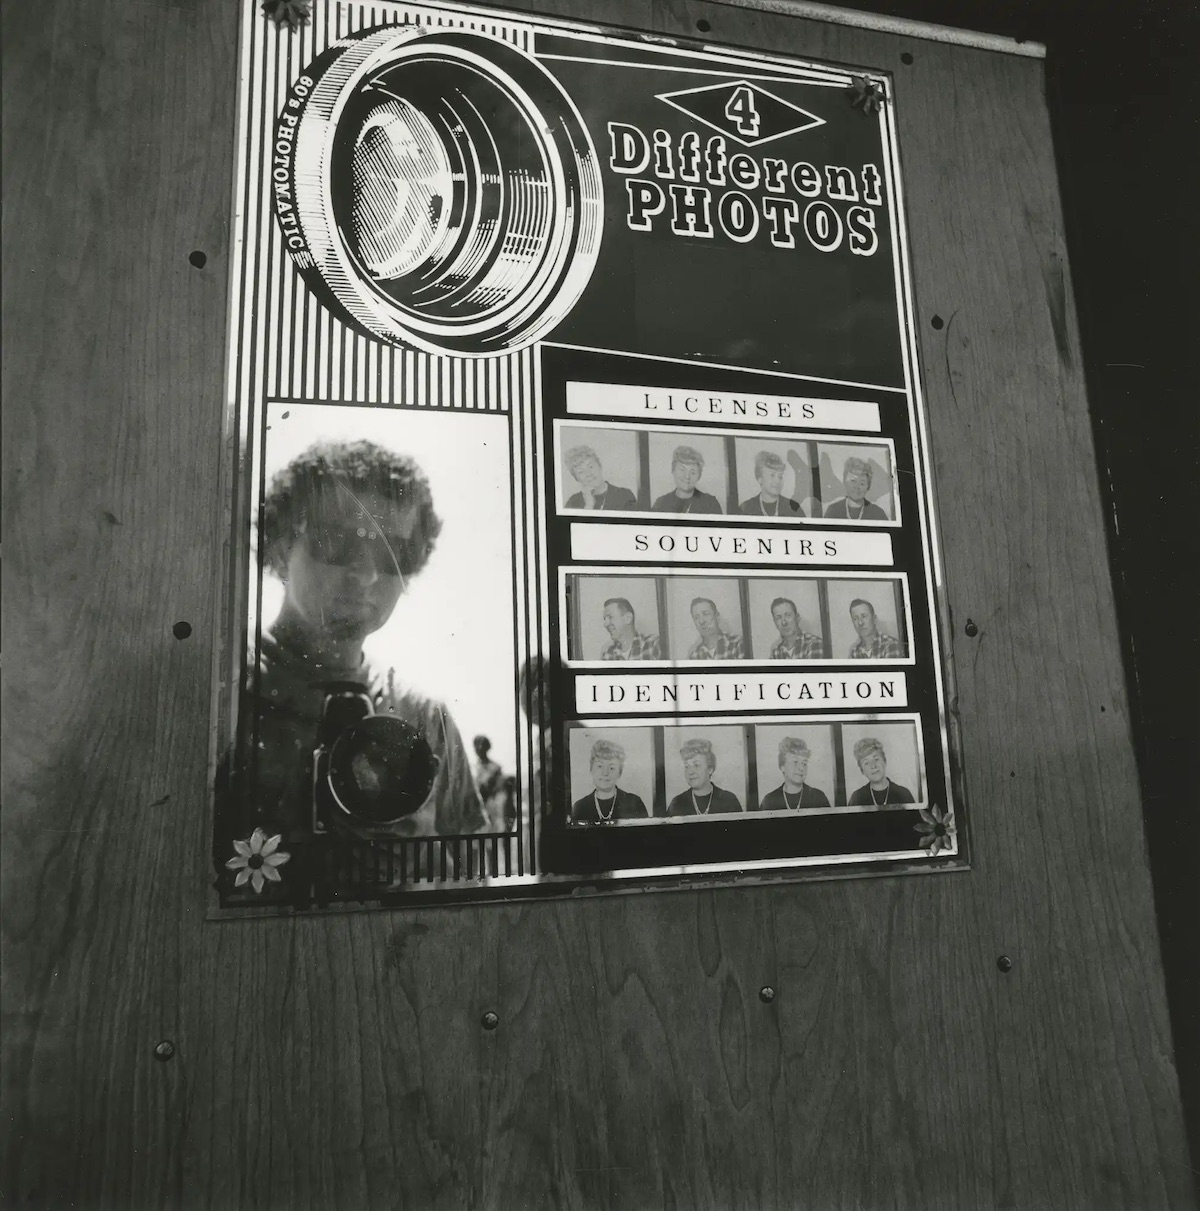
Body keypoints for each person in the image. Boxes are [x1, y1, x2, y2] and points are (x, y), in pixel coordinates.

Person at [231, 439, 486, 850]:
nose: (366, 574)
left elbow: (475, 880)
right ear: (279, 546)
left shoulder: (426, 722)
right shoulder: (215, 697)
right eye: (336, 542)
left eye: (393, 554)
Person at [570, 739, 650, 824]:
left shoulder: (635, 803)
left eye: (612, 768)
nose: (605, 773)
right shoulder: (579, 807)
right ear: (591, 769)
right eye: (600, 766)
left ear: (619, 772)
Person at [666, 738, 743, 816]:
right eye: (687, 766)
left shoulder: (729, 801)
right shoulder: (677, 804)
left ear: (710, 769)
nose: (690, 772)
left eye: (696, 765)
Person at [755, 737, 831, 811]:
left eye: (804, 763)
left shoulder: (818, 797)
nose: (801, 768)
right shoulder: (769, 801)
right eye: (795, 762)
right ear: (782, 766)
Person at [651, 445, 723, 514]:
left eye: (693, 472)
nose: (687, 476)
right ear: (673, 470)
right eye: (682, 470)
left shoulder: (710, 503)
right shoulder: (661, 503)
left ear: (699, 476)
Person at [563, 445, 638, 510]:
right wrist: (589, 506)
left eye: (590, 466)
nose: (588, 474)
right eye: (581, 472)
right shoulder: (573, 502)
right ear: (576, 478)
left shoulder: (624, 495)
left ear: (599, 465)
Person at [848, 736, 915, 807]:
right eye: (866, 763)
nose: (873, 766)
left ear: (884, 761)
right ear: (862, 770)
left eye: (876, 759)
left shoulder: (903, 794)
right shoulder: (856, 798)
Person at [739, 450, 805, 517]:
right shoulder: (746, 508)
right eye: (772, 475)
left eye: (780, 476)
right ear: (760, 479)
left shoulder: (794, 508)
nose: (778, 481)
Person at [823, 455, 889, 520]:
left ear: (868, 486)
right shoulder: (833, 510)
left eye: (862, 483)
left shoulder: (878, 514)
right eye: (853, 481)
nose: (857, 487)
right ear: (845, 481)